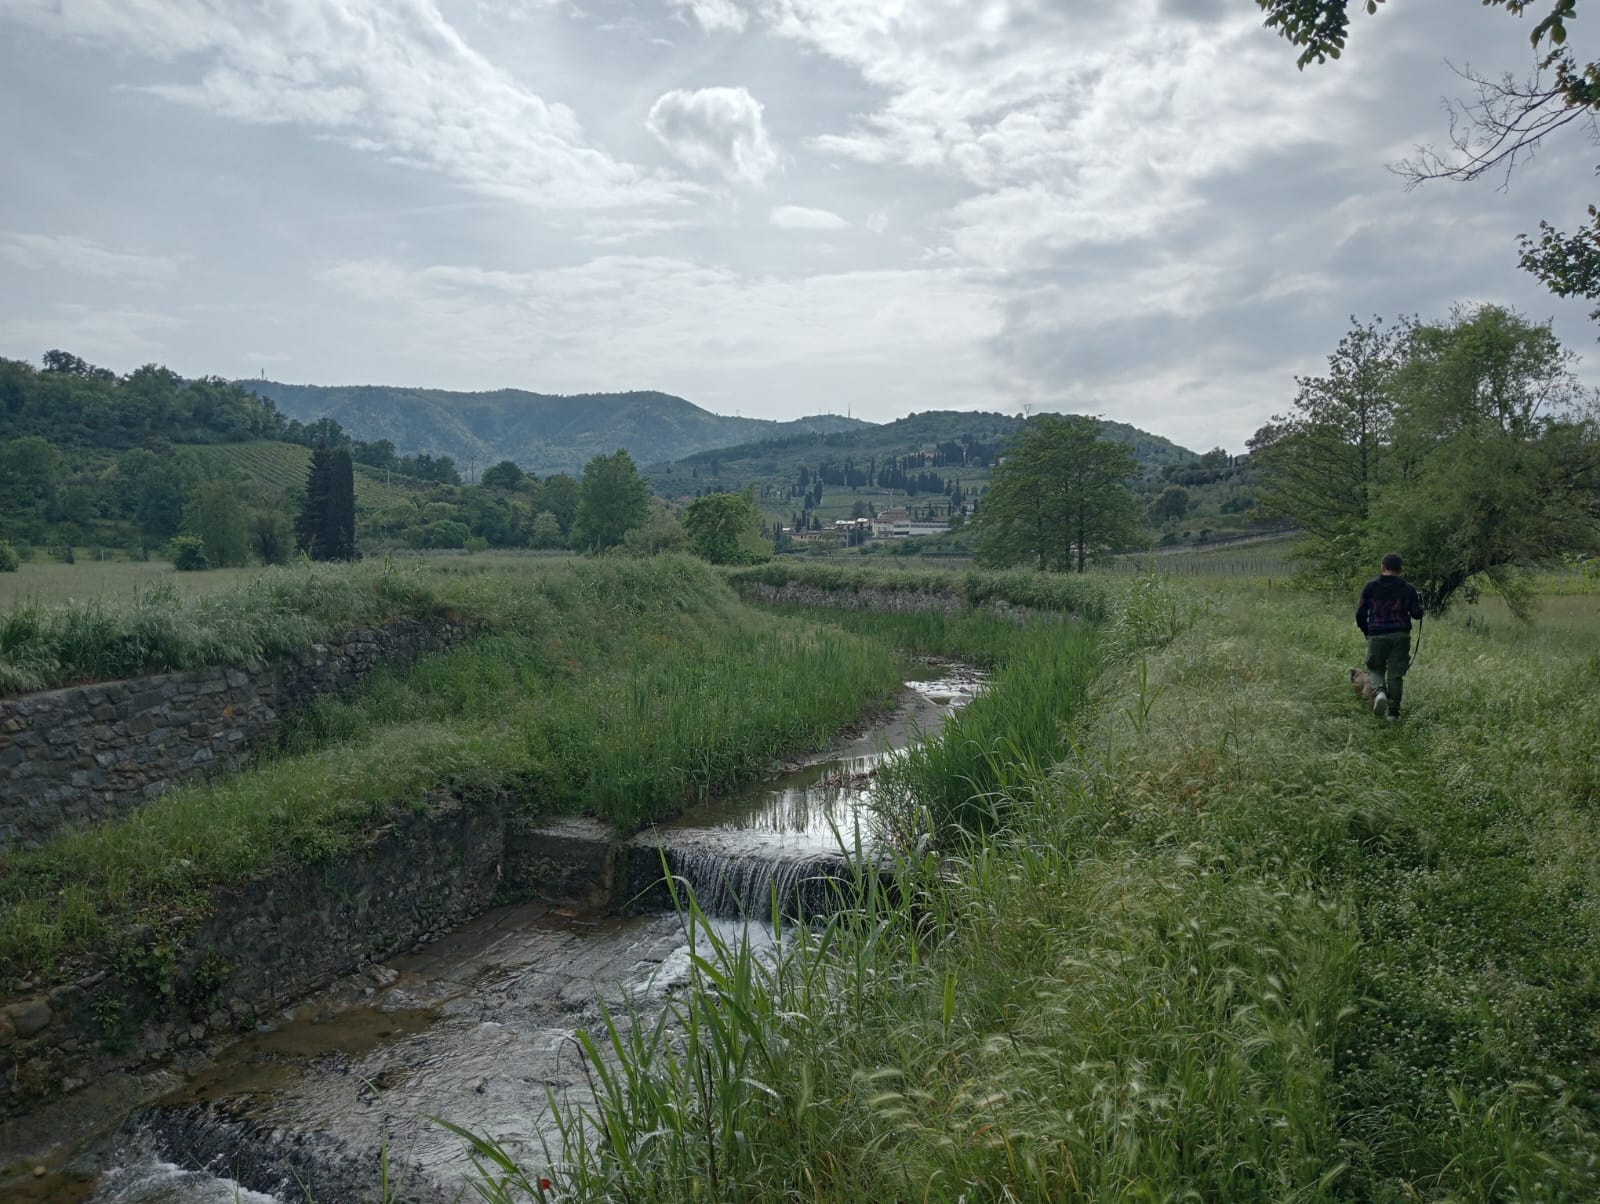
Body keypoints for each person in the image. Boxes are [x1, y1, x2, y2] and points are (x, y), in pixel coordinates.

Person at [1355, 552, 1425, 722]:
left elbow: (1360, 614)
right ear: (1400, 569)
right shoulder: (1408, 588)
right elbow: (1416, 614)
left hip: (1377, 634)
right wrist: (1421, 603)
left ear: (1382, 567)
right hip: (1401, 635)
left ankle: (1379, 693)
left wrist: (1368, 632)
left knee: (1375, 668)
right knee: (1395, 674)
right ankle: (1393, 714)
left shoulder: (1370, 587)